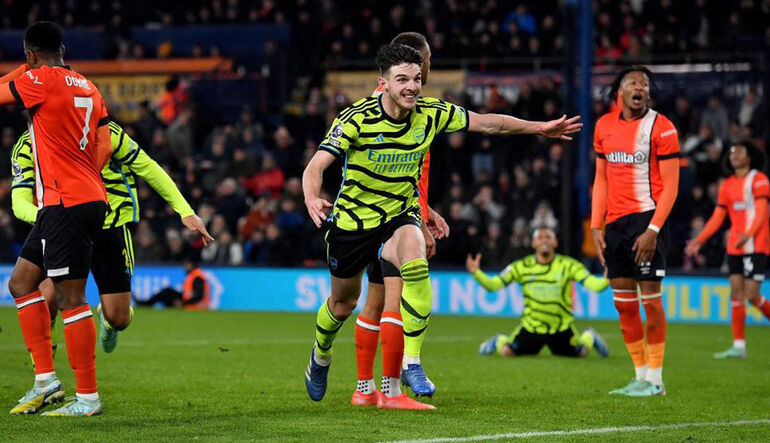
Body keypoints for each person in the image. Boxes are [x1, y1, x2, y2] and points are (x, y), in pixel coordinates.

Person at [302, 43, 581, 409]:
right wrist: (311, 196)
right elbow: (316, 166)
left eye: (416, 78)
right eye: (402, 79)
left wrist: (539, 128)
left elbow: (489, 123)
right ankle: (320, 355)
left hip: (398, 216)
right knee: (343, 304)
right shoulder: (356, 118)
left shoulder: (432, 113)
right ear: (383, 83)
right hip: (354, 222)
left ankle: (411, 364)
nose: (412, 87)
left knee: (415, 256)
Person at [10, 122, 213, 355]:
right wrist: (52, 220)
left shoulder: (103, 131)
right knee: (46, 301)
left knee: (119, 318)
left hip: (110, 225)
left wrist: (184, 210)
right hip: (65, 228)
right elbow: (19, 202)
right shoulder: (27, 145)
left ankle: (108, 320)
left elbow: (147, 166)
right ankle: (46, 378)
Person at [0, 22, 112, 416]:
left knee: (70, 297)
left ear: (30, 55)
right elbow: (105, 140)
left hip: (67, 202)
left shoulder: (38, 80)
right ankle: (46, 382)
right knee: (21, 282)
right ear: (63, 48)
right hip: (72, 199)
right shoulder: (87, 85)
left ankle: (87, 398)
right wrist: (84, 172)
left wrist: (24, 68)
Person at [353, 31, 449, 405]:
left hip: (370, 215)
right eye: (423, 61)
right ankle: (393, 389)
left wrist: (427, 210)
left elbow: (403, 174)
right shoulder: (410, 111)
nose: (425, 69)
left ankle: (365, 390)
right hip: (391, 219)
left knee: (373, 302)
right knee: (394, 298)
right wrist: (419, 219)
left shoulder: (377, 104)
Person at [591, 66, 680, 397]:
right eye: (632, 83)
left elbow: (671, 186)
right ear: (620, 92)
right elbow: (601, 178)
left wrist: (654, 229)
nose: (639, 87)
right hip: (614, 224)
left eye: (644, 83)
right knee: (624, 303)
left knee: (651, 300)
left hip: (647, 220)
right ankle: (640, 375)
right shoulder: (604, 126)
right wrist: (596, 224)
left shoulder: (663, 128)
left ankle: (656, 379)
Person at [685, 141, 770, 359]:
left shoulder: (759, 180)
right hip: (735, 246)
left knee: (752, 295)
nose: (734, 155)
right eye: (732, 152)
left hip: (755, 244)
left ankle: (740, 344)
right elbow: (717, 218)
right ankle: (739, 346)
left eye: (740, 151)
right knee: (736, 291)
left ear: (750, 157)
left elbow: (761, 212)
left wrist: (749, 234)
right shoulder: (727, 185)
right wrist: (700, 240)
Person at [469, 228, 610, 359]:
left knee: (581, 353)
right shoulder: (522, 266)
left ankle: (589, 336)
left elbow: (595, 285)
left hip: (561, 328)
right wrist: (477, 273)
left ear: (555, 242)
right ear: (533, 243)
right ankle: (498, 340)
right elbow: (493, 285)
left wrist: (607, 279)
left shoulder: (568, 265)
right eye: (540, 237)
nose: (544, 240)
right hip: (532, 328)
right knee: (507, 352)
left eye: (548, 237)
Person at [136, 258, 210, 309]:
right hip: (188, 302)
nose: (185, 267)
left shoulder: (197, 277)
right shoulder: (193, 275)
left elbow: (200, 296)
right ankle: (146, 304)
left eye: (186, 264)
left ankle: (146, 304)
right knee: (167, 291)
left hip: (194, 306)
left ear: (191, 265)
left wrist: (183, 303)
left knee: (166, 295)